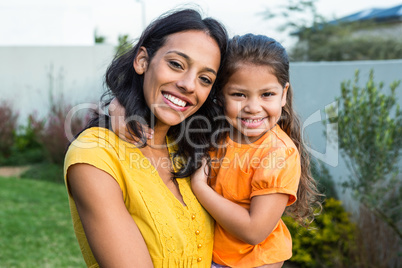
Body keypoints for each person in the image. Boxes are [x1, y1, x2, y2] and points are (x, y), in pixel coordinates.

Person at [64, 8, 228, 268]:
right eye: (176, 64)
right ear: (142, 60)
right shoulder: (95, 156)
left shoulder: (191, 149)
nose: (189, 84)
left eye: (205, 79)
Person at [190, 34, 322, 268]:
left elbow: (254, 231)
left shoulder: (277, 154)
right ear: (220, 96)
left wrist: (199, 187)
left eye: (267, 94)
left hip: (251, 262)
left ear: (283, 93)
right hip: (213, 255)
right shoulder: (218, 131)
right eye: (239, 94)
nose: (252, 107)